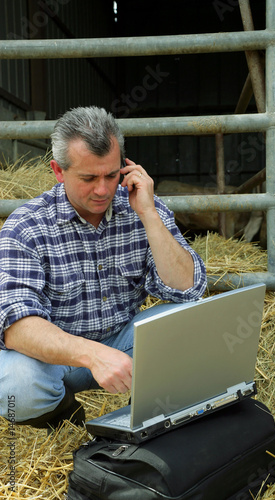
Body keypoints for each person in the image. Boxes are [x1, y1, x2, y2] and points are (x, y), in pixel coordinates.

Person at [0, 106, 207, 430]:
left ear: (125, 166)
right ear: (58, 170)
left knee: (194, 323)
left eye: (111, 175)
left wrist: (149, 215)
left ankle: (143, 417)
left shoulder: (142, 206)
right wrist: (91, 355)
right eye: (89, 178)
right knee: (15, 384)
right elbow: (16, 324)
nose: (102, 190)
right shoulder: (26, 225)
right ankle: (64, 416)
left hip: (125, 342)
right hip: (55, 358)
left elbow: (189, 290)